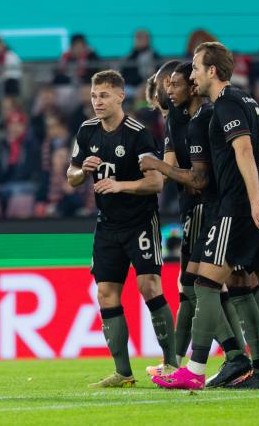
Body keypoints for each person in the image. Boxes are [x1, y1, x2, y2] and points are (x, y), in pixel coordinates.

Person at [153, 41, 259, 391]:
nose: (191, 74)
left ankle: (193, 368)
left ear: (212, 70)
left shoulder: (225, 104)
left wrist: (253, 199)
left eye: (195, 67)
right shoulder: (249, 101)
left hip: (238, 209)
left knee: (204, 285)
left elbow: (242, 149)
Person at [66, 70, 175, 388]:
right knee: (105, 293)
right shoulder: (86, 132)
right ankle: (123, 372)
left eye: (103, 95)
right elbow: (71, 175)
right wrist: (80, 171)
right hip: (107, 225)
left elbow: (156, 181)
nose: (97, 102)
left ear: (120, 96)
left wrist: (120, 185)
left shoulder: (138, 133)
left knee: (149, 286)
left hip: (140, 221)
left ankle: (171, 364)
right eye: (93, 96)